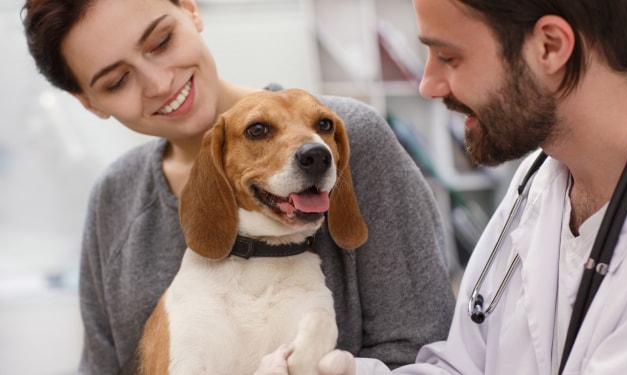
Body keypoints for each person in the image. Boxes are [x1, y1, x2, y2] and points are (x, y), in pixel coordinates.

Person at [21, 0, 458, 373]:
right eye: (116, 82)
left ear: (189, 9)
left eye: (161, 42)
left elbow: (427, 353)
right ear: (88, 102)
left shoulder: (350, 138)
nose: (159, 83)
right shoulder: (113, 198)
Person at [255, 0, 627, 374]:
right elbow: (465, 366)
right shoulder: (538, 180)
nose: (428, 85)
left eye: (449, 57)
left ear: (550, 46)